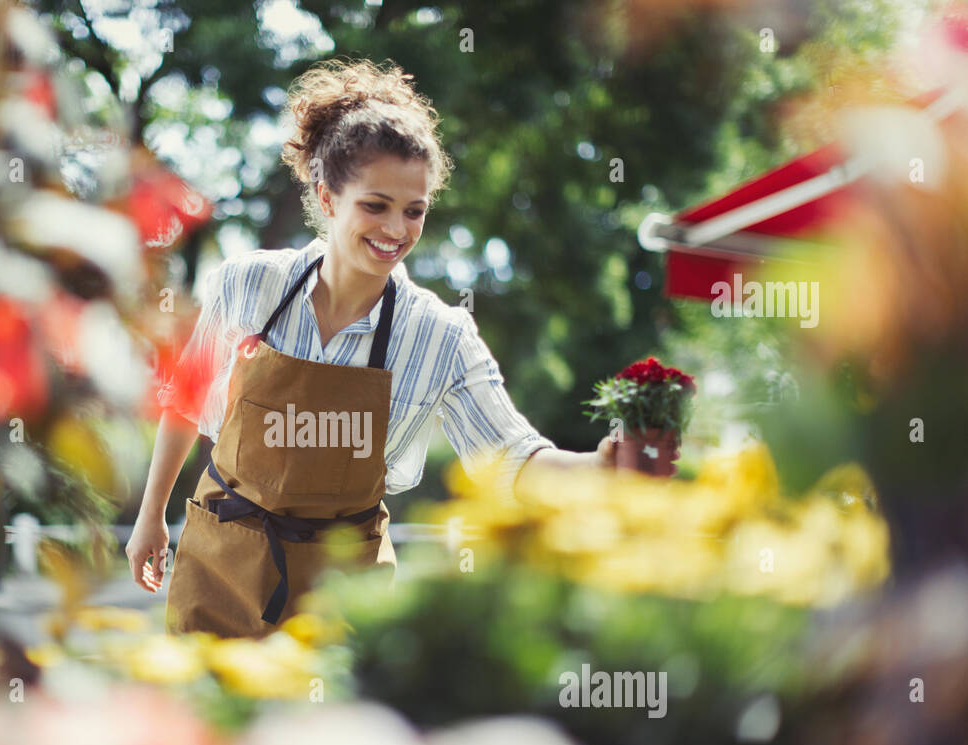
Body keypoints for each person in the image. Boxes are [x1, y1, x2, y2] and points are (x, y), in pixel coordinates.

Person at [127, 58, 614, 638]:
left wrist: (600, 468)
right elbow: (184, 401)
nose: (397, 230)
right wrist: (150, 515)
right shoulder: (249, 282)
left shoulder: (438, 334)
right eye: (375, 205)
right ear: (328, 197)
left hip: (344, 590)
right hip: (221, 561)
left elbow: (509, 455)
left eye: (415, 211)